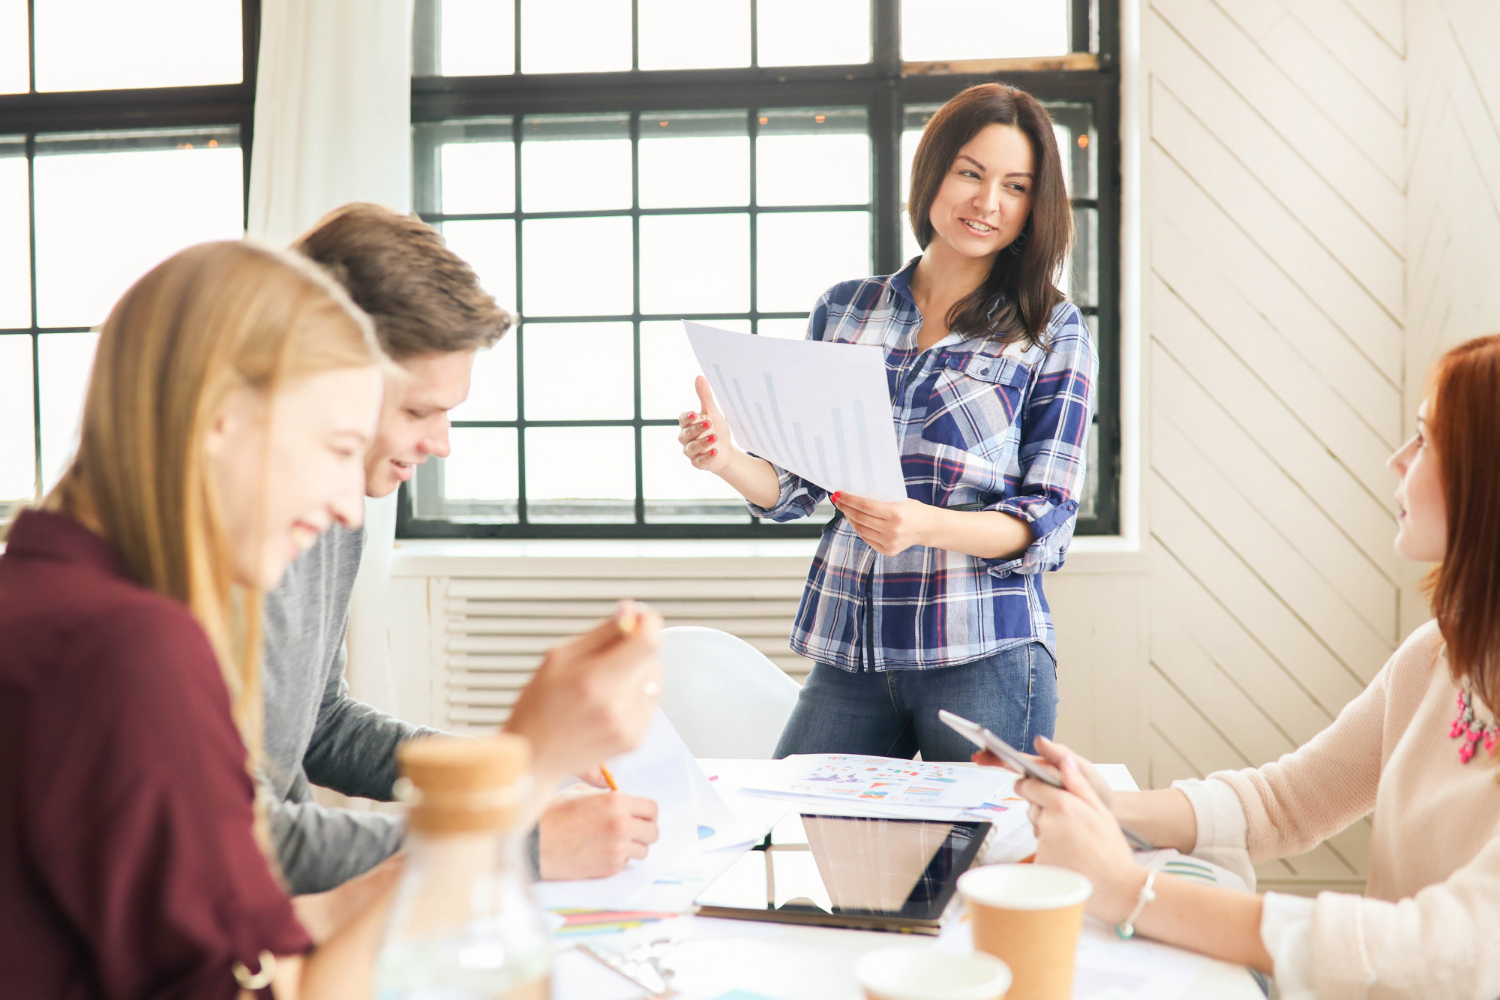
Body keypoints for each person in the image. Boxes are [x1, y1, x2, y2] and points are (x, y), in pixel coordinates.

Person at [0, 240, 664, 998]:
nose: (349, 505)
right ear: (223, 418)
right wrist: (526, 777)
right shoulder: (129, 646)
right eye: (336, 447)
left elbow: (269, 937)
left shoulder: (51, 592)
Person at [995, 334, 1500, 997]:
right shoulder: (1438, 657)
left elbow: (1438, 953)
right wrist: (1110, 804)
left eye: (1425, 439)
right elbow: (1286, 802)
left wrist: (1126, 888)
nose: (1395, 461)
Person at [679, 83, 1097, 761]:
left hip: (984, 650)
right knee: (802, 831)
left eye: (1015, 186)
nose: (987, 202)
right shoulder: (847, 310)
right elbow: (799, 485)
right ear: (933, 174)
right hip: (854, 649)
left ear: (1034, 205)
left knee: (972, 863)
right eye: (970, 173)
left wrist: (922, 524)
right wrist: (725, 456)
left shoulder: (1054, 330)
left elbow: (1048, 519)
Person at [264, 203, 661, 893]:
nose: (440, 443)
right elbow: (246, 847)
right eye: (419, 412)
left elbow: (320, 725)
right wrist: (514, 834)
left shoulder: (339, 506)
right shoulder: (211, 554)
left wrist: (507, 776)